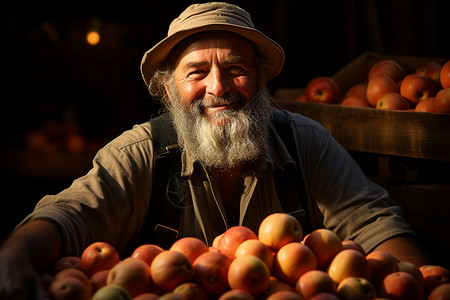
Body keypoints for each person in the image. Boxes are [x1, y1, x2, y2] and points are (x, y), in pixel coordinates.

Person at [0, 2, 431, 299]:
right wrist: (13, 257)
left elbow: (378, 227)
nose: (218, 87)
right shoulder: (142, 153)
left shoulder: (306, 144)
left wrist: (419, 282)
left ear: (261, 82)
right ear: (168, 91)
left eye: (236, 69)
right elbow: (68, 216)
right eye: (197, 72)